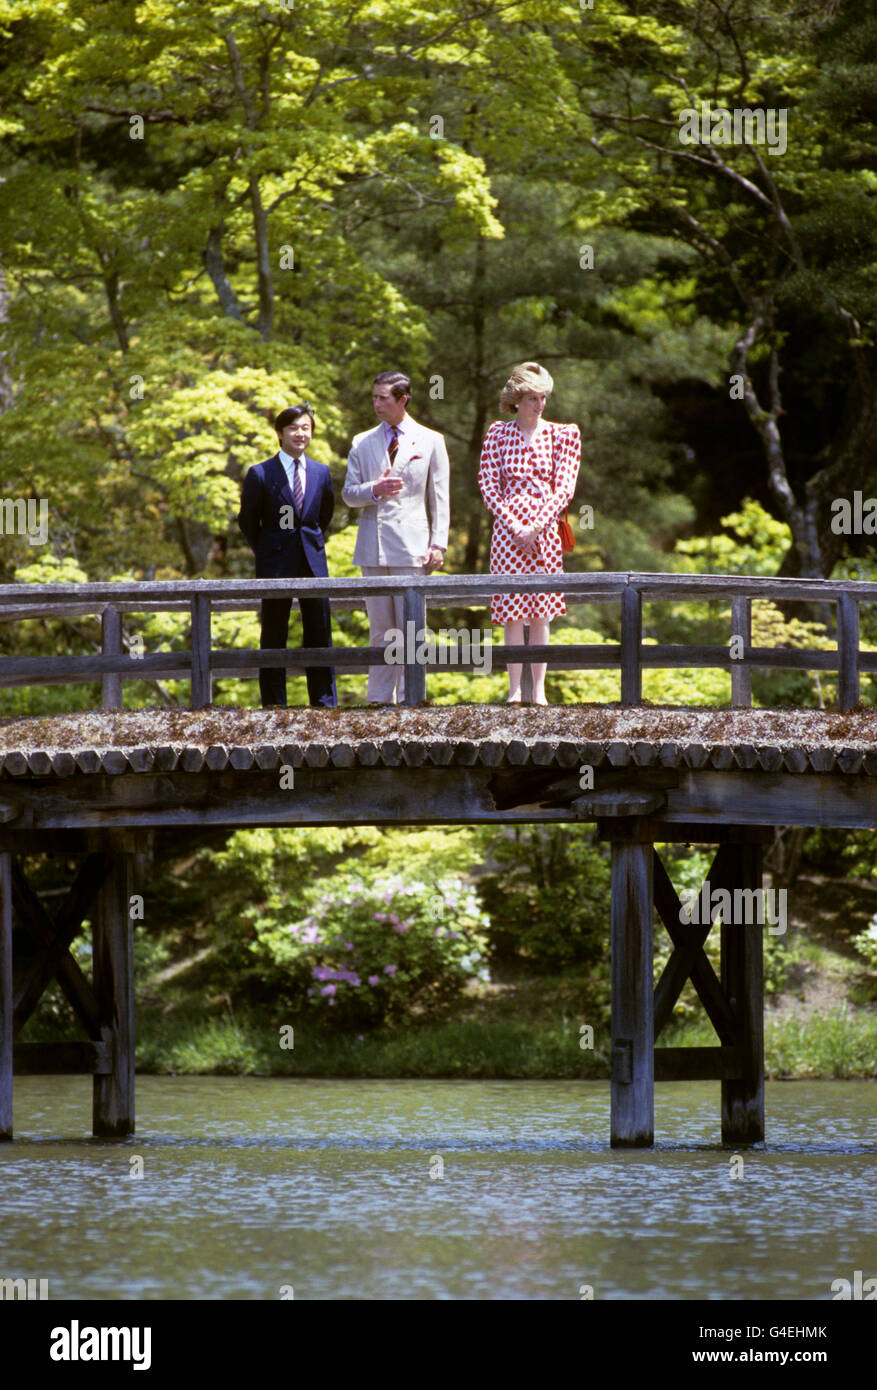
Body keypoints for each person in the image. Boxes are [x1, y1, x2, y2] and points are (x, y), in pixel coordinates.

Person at [342, 371, 450, 703]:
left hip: (413, 547)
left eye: (383, 398)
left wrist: (438, 542)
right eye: (373, 397)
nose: (376, 404)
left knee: (411, 630)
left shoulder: (431, 439)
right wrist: (374, 490)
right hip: (373, 547)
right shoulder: (362, 441)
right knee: (380, 631)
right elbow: (348, 494)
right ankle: (378, 701)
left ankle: (411, 698)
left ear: (403, 399)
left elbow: (440, 496)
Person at [477, 362, 581, 704]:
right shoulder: (497, 434)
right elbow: (489, 487)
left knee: (540, 610)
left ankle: (538, 690)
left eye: (543, 397)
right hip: (508, 530)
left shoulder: (562, 434)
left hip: (545, 527)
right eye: (533, 398)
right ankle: (514, 689)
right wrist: (515, 525)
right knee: (512, 611)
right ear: (517, 400)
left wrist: (536, 525)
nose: (539, 404)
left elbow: (564, 488)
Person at [238, 403, 337, 708]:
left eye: (305, 428)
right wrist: (268, 549)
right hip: (275, 562)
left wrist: (310, 543)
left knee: (320, 630)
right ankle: (274, 704)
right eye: (293, 428)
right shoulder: (261, 473)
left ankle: (324, 702)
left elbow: (324, 514)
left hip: (313, 559)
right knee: (274, 630)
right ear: (280, 434)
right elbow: (248, 521)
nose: (300, 433)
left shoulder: (321, 472)